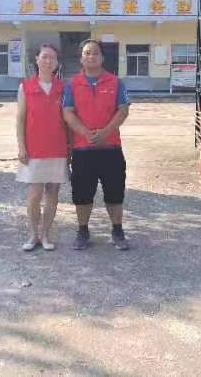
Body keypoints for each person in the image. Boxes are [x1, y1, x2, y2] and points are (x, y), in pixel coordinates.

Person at [62, 39, 131, 251]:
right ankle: (83, 231)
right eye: (87, 53)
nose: (91, 56)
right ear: (81, 58)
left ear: (102, 57)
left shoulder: (116, 82)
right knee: (82, 194)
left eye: (95, 53)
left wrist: (105, 132)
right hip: (82, 150)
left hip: (111, 148)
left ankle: (117, 231)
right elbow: (67, 113)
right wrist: (86, 133)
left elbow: (123, 110)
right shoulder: (72, 84)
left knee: (115, 193)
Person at [16, 44, 69, 251]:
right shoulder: (25, 87)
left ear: (57, 63)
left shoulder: (63, 88)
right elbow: (20, 119)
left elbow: (68, 119)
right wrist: (21, 146)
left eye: (52, 58)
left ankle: (46, 235)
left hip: (58, 148)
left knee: (53, 193)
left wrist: (71, 148)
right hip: (34, 149)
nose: (48, 61)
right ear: (36, 59)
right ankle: (33, 235)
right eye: (44, 57)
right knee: (34, 194)